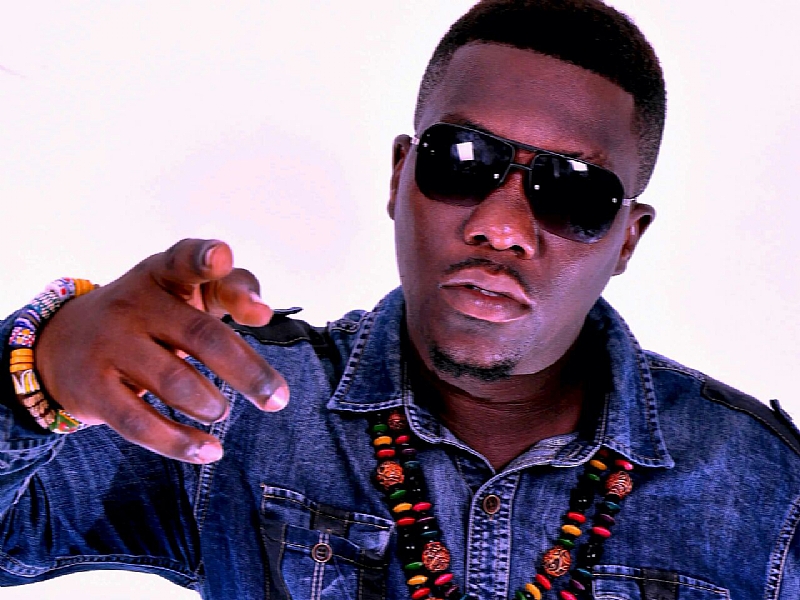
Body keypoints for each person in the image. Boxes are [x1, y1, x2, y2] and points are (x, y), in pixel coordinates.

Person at [1, 1, 798, 599]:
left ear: (627, 238)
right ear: (398, 176)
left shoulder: (765, 488)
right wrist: (39, 377)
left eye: (574, 192)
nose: (500, 226)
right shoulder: (233, 406)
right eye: (462, 159)